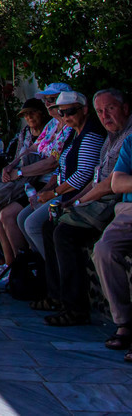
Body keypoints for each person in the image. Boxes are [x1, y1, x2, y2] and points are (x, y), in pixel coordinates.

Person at [42, 89, 129, 326]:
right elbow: (95, 177)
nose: (105, 116)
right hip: (97, 199)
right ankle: (57, 296)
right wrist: (75, 200)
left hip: (111, 204)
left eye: (110, 109)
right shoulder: (110, 136)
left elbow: (110, 184)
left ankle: (75, 307)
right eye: (101, 111)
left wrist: (78, 200)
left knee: (64, 233)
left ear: (125, 108)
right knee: (51, 225)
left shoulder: (116, 137)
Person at [15, 91, 104, 305]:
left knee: (38, 224)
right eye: (61, 112)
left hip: (76, 197)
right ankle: (50, 276)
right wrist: (45, 191)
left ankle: (57, 281)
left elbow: (84, 174)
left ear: (84, 110)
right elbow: (61, 169)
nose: (65, 116)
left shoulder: (90, 135)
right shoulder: (74, 133)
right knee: (23, 219)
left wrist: (54, 194)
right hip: (64, 194)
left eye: (70, 111)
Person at [0, 84, 73, 278]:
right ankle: (14, 267)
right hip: (35, 181)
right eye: (46, 100)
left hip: (49, 183)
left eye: (52, 100)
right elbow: (32, 149)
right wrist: (11, 166)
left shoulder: (70, 128)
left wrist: (20, 173)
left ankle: (39, 272)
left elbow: (52, 163)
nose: (48, 104)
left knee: (16, 217)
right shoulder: (52, 125)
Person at [0, 98, 50, 280]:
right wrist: (10, 169)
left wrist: (20, 172)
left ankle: (20, 267)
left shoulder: (49, 134)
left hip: (40, 183)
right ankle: (9, 263)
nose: (29, 117)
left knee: (7, 214)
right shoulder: (25, 134)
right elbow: (19, 156)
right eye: (26, 114)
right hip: (23, 183)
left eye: (32, 113)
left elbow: (48, 164)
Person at [91, 116, 132, 359]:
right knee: (104, 250)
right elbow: (118, 183)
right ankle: (124, 322)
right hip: (128, 211)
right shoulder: (129, 143)